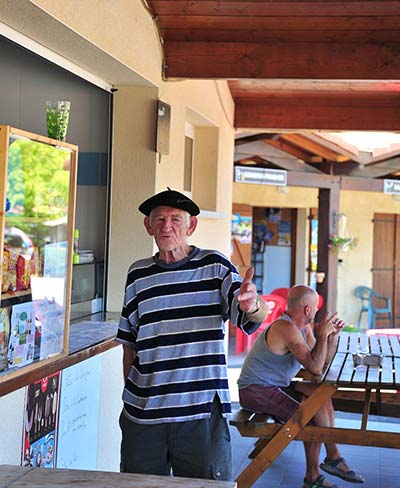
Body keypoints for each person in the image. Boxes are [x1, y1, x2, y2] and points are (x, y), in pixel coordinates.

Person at [116, 188, 268, 480]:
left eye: (175, 219)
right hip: (144, 415)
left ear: (191, 226)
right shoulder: (138, 275)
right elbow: (129, 345)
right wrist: (137, 396)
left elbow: (250, 318)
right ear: (148, 226)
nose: (166, 226)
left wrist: (253, 304)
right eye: (158, 219)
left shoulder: (215, 267)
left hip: (200, 415)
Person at [238, 285, 365, 488]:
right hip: (256, 390)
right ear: (307, 310)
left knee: (319, 396)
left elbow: (321, 362)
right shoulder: (285, 328)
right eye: (315, 308)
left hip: (274, 386)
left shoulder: (303, 328)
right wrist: (322, 335)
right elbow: (315, 368)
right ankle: (313, 478)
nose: (316, 311)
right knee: (310, 416)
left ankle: (334, 457)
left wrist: (331, 337)